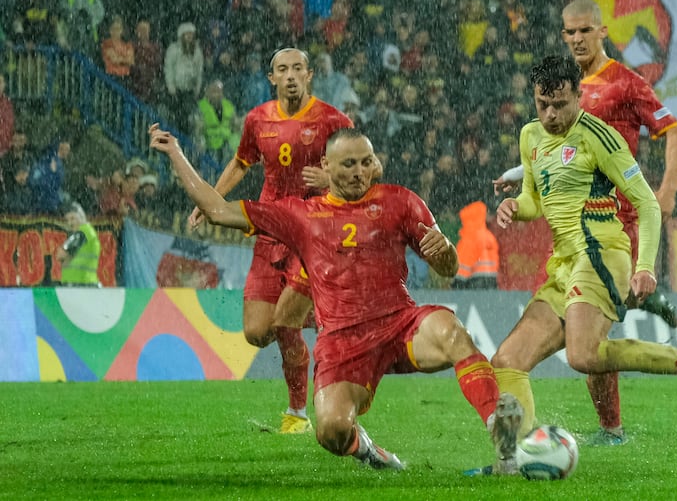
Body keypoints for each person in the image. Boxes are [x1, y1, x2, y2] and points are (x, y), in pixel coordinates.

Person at [152, 125, 523, 473]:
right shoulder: (300, 214)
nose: (360, 172)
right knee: (331, 432)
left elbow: (447, 268)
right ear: (326, 166)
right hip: (343, 343)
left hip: (400, 324)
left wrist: (444, 250)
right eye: (348, 164)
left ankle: (500, 430)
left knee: (452, 330)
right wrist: (176, 154)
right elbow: (217, 210)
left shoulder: (401, 202)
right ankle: (367, 449)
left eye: (366, 161)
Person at [490, 55, 677, 462]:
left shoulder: (600, 137)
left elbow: (646, 204)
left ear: (579, 95)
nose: (552, 114)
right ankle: (517, 461)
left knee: (583, 356)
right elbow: (534, 199)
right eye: (543, 105)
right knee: (507, 361)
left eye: (560, 104)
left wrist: (645, 266)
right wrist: (515, 208)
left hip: (602, 254)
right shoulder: (530, 136)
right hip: (563, 262)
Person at [492, 0, 677, 446]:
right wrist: (520, 175)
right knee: (588, 338)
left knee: (588, 337)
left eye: (586, 31)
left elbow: (675, 131)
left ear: (603, 32)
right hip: (570, 225)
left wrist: (667, 191)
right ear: (563, 35)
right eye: (571, 32)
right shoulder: (559, 86)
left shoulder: (624, 83)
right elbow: (564, 147)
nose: (578, 39)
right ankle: (609, 421)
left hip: (614, 221)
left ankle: (610, 427)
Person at [187, 47, 349, 435]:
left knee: (285, 323)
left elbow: (368, 165)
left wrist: (331, 181)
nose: (290, 75)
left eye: (297, 68)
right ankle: (326, 315)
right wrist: (211, 201)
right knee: (258, 332)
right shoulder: (257, 119)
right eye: (282, 69)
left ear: (310, 75)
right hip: (269, 231)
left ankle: (297, 413)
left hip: (311, 235)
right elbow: (242, 163)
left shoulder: (332, 119)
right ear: (271, 77)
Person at [56, 201, 101, 287]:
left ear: (81, 216)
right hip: (83, 284)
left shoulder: (83, 232)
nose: (70, 223)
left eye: (72, 218)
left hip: (82, 285)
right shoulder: (89, 233)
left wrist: (67, 259)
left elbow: (60, 254)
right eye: (67, 220)